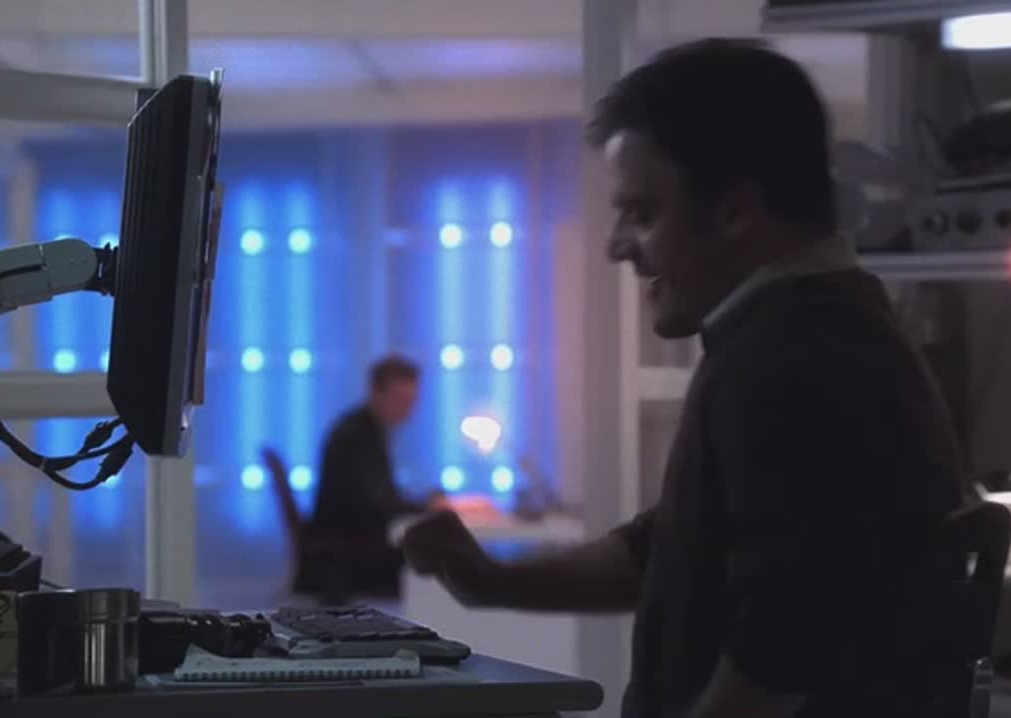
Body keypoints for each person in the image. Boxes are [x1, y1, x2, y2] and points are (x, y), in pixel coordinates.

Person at [401, 39, 969, 718]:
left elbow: (780, 650)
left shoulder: (790, 363)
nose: (616, 245)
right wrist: (495, 582)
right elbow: (676, 547)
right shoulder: (814, 331)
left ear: (736, 210)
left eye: (642, 214)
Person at [304, 355, 438, 601]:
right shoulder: (356, 437)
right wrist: (429, 508)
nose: (407, 410)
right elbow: (374, 506)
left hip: (350, 548)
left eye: (411, 402)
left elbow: (380, 499)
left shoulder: (366, 430)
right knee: (437, 558)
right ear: (376, 393)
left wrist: (425, 505)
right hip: (349, 556)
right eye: (400, 401)